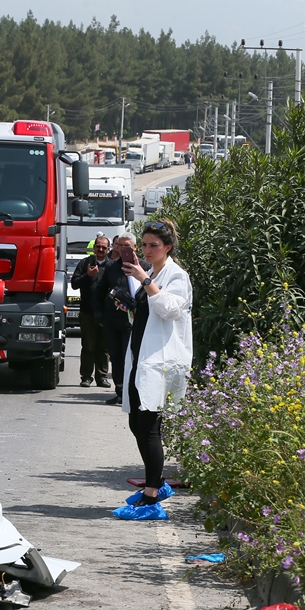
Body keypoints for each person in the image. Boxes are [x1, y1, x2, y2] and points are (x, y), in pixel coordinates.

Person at [115, 218, 193, 519]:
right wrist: (130, 306)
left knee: (149, 427)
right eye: (144, 245)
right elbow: (148, 314)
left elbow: (171, 309)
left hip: (160, 361)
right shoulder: (152, 271)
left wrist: (145, 282)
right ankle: (156, 482)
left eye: (153, 246)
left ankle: (152, 495)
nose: (146, 251)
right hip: (142, 355)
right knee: (137, 422)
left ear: (168, 247)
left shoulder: (176, 275)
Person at [96, 233, 149, 406]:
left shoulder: (145, 267)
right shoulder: (111, 267)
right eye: (120, 246)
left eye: (127, 246)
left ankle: (130, 392)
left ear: (135, 247)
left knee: (130, 356)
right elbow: (100, 291)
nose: (123, 249)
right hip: (112, 319)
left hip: (132, 320)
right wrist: (100, 315)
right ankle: (119, 391)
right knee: (116, 356)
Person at [70, 236, 113, 388]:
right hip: (87, 312)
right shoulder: (84, 263)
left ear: (108, 250)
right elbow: (74, 284)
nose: (101, 250)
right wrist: (88, 276)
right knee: (88, 346)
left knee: (103, 347)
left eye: (104, 247)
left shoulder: (112, 266)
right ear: (94, 248)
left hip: (106, 313)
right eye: (98, 247)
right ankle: (86, 377)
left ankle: (102, 377)